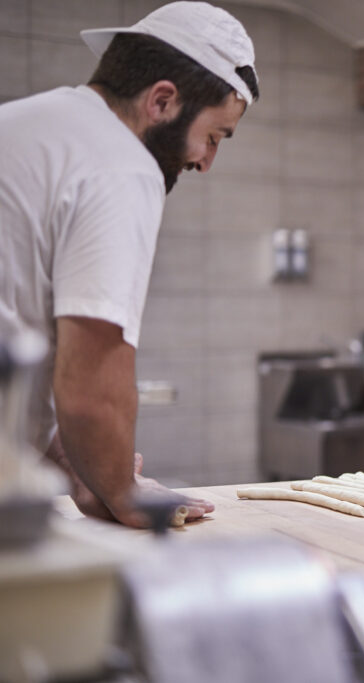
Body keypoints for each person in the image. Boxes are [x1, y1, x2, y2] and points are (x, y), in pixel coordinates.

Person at [0, 1, 260, 528]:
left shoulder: (27, 126)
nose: (205, 163)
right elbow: (90, 385)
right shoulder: (121, 164)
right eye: (213, 137)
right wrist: (123, 492)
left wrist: (74, 465)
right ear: (162, 100)